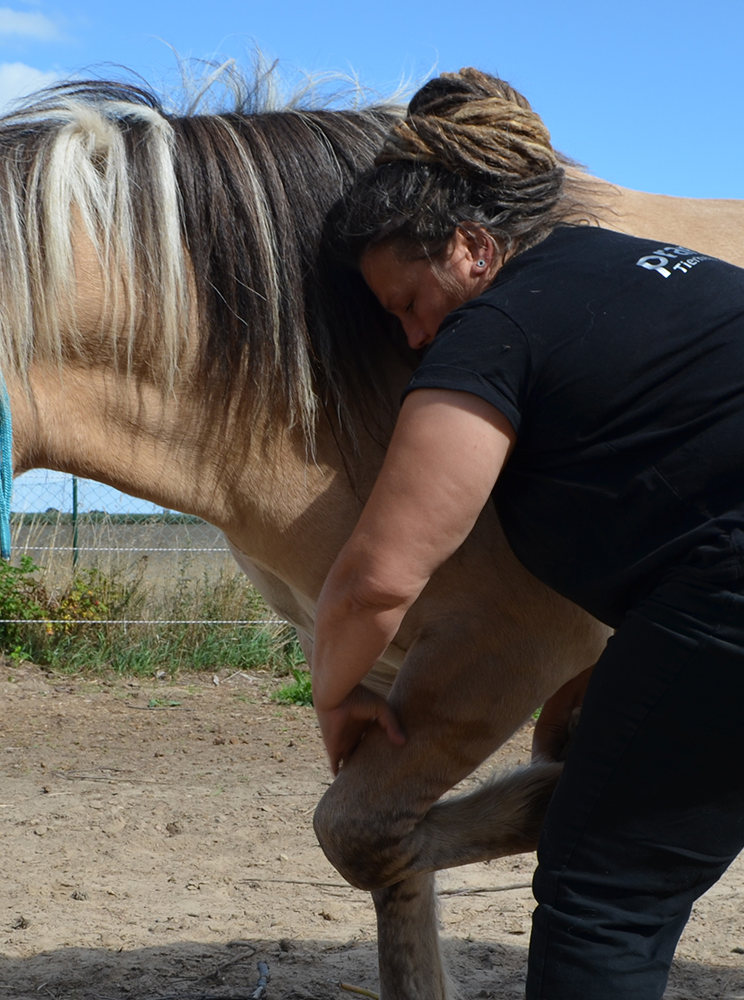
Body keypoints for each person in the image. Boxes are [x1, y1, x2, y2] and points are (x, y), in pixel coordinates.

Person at [312, 67, 744, 998]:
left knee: (602, 901)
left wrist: (332, 694)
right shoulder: (633, 267)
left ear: (472, 247)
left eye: (407, 306)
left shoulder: (495, 329)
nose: (413, 337)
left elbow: (379, 577)